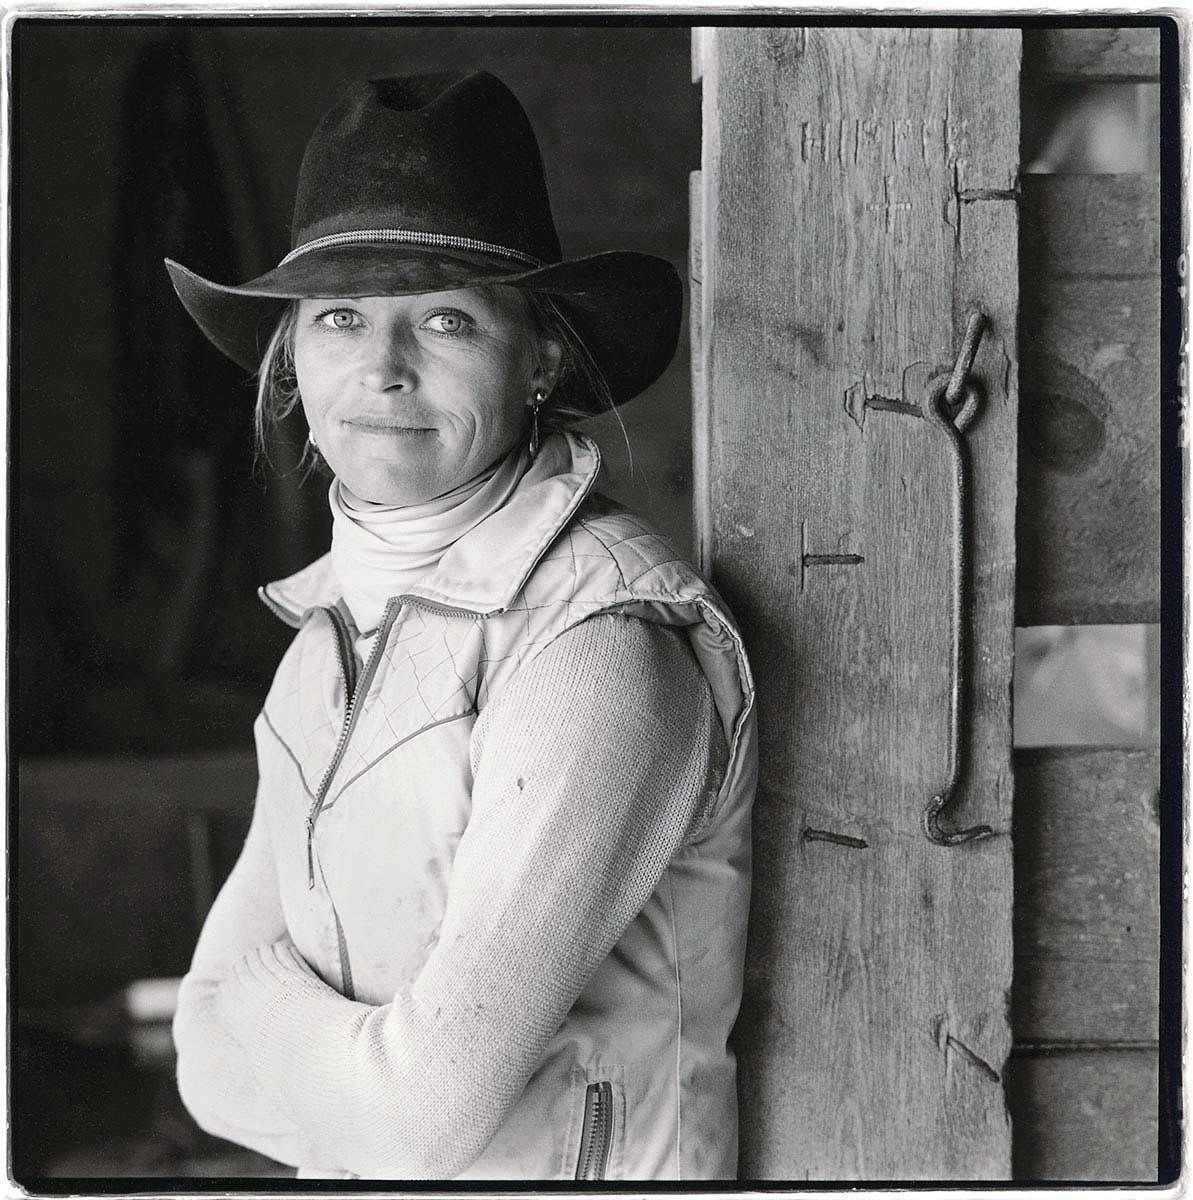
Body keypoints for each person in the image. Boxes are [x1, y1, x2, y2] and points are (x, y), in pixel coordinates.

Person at [166, 70, 757, 1182]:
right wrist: (314, 1059)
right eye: (340, 317)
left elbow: (410, 1128)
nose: (381, 369)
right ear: (291, 356)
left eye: (444, 319)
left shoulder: (595, 646)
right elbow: (200, 1062)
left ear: (535, 358)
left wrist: (266, 1020)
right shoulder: (322, 646)